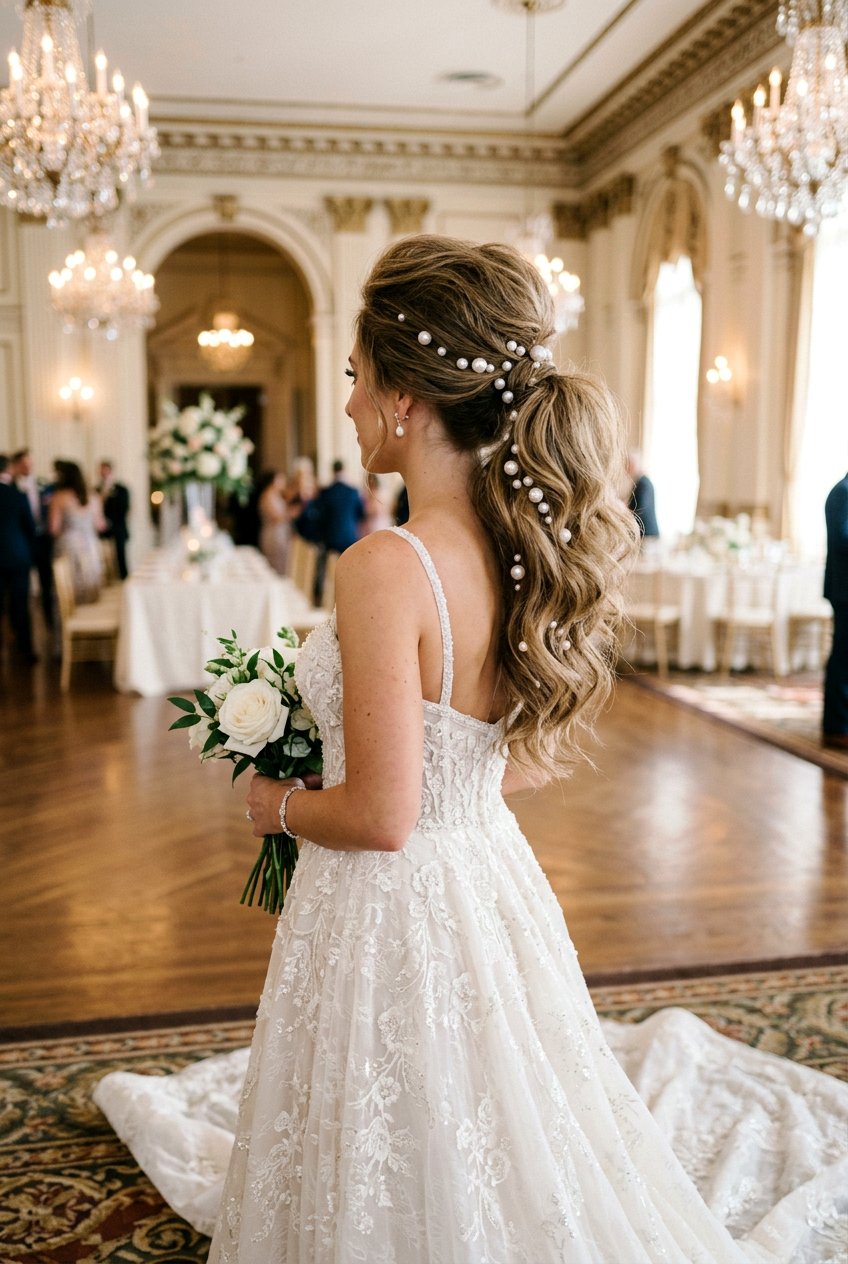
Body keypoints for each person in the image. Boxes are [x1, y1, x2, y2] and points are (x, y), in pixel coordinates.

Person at [94, 236, 847, 1261]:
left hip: (391, 898)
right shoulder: (512, 549)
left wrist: (270, 807)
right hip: (485, 873)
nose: (350, 405)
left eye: (357, 379)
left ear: (405, 396)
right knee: (491, 1107)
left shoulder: (384, 565)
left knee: (402, 1106)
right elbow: (505, 761)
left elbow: (381, 818)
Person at [48, 460, 106, 603]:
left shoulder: (59, 497)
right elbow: (100, 526)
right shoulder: (93, 497)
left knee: (68, 589)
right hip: (90, 546)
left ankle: (72, 618)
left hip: (68, 545)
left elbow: (53, 529)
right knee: (91, 585)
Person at [9, 447, 54, 632]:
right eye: (25, 463)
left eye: (31, 462)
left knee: (47, 583)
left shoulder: (43, 484)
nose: (29, 466)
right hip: (22, 543)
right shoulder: (10, 487)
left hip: (42, 540)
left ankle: (50, 620)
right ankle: (21, 628)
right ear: (17, 465)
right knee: (21, 590)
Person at [0, 453, 37, 662]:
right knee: (20, 604)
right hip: (17, 556)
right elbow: (30, 528)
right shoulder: (18, 495)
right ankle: (26, 650)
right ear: (8, 469)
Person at [823, 470, 848, 749]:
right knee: (842, 658)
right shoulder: (842, 492)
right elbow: (841, 538)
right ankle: (835, 727)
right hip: (843, 590)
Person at [96, 460, 131, 580]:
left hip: (118, 528)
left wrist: (110, 521)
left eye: (106, 470)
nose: (103, 473)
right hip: (102, 531)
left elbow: (124, 509)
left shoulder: (122, 489)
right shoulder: (96, 490)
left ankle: (124, 579)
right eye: (101, 470)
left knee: (121, 557)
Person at [256, 470, 293, 574]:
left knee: (282, 562)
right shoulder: (268, 495)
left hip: (280, 533)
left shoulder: (276, 495)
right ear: (273, 481)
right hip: (273, 534)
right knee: (274, 564)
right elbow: (276, 517)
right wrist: (291, 513)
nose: (283, 482)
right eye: (280, 479)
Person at [627, 449, 659, 538]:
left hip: (647, 533)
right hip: (645, 532)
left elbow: (641, 507)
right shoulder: (640, 482)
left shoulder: (643, 483)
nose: (626, 468)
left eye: (628, 465)